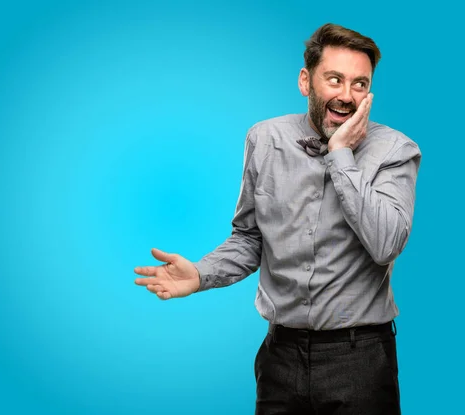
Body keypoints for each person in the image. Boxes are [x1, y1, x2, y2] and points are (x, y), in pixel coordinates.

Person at [134, 22, 421, 415]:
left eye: (359, 84)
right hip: (279, 357)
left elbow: (386, 244)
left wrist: (341, 155)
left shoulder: (396, 150)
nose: (346, 95)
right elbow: (250, 238)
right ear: (306, 81)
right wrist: (200, 274)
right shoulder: (265, 139)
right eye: (334, 79)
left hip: (360, 359)